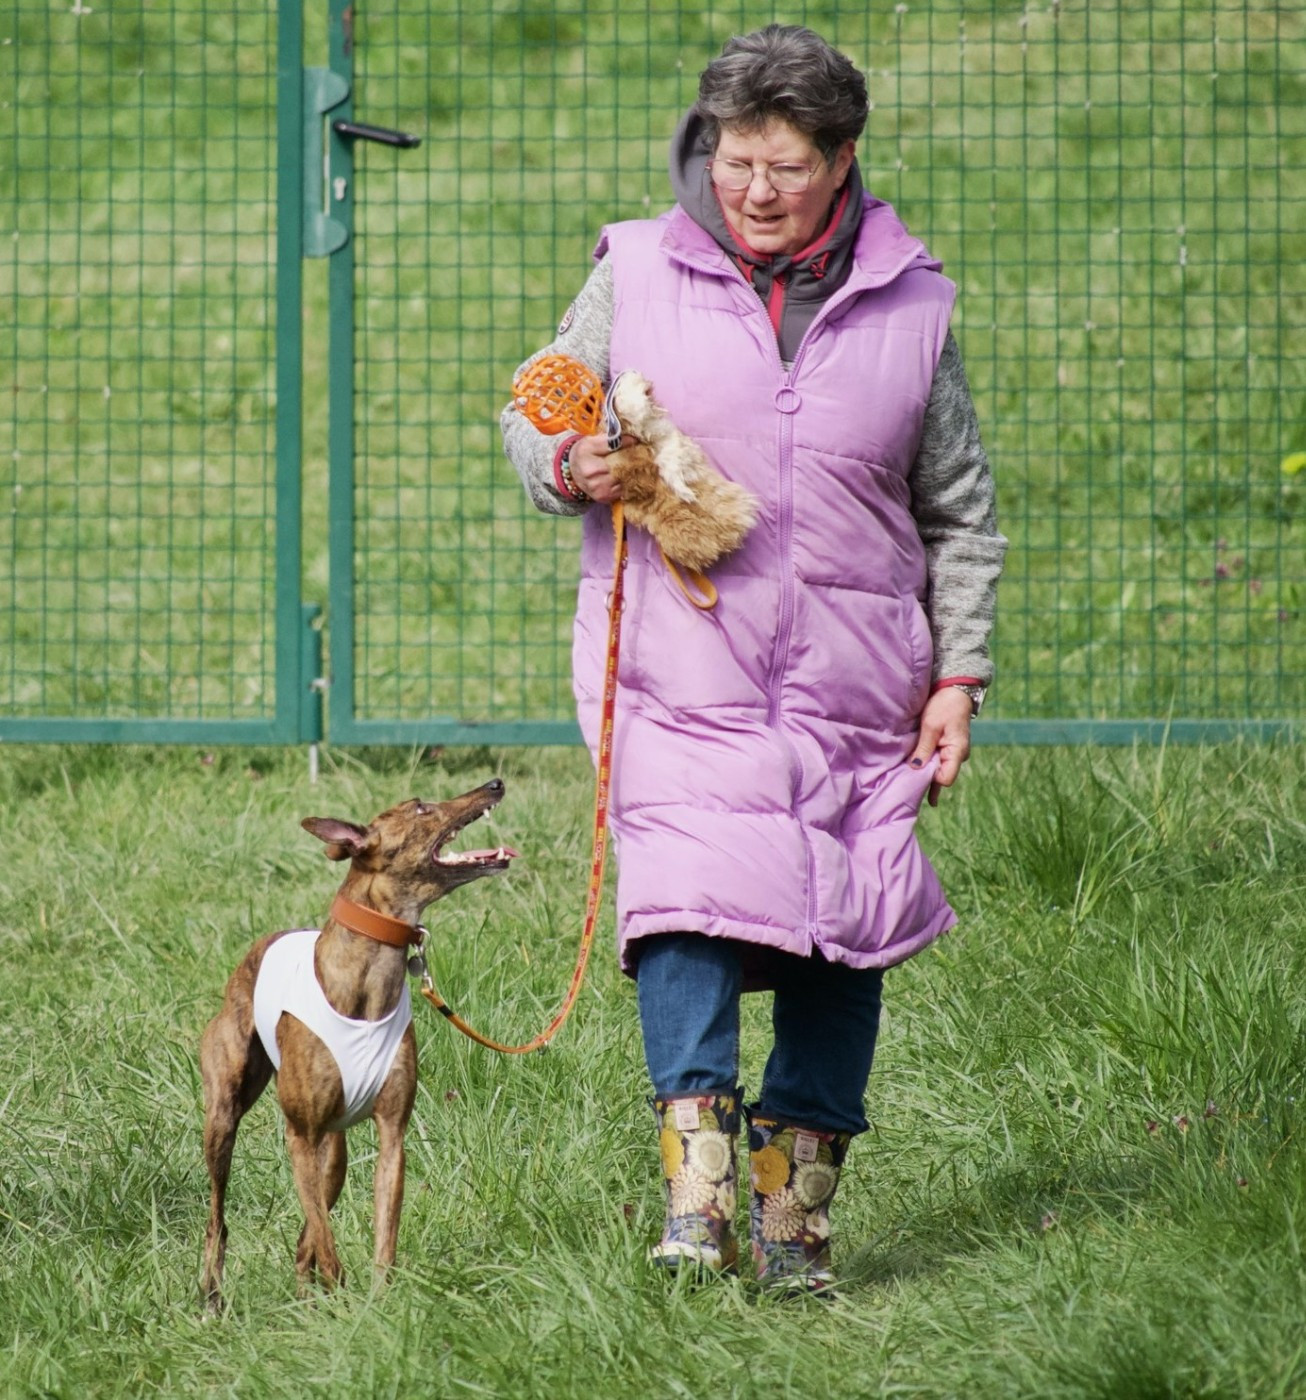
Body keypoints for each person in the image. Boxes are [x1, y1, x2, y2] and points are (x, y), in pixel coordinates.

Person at [502, 23, 1006, 1292]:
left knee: (848, 922)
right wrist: (569, 464)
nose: (756, 191)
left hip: (859, 681)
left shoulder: (913, 302)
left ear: (842, 159)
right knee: (683, 902)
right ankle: (699, 1201)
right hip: (683, 665)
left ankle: (795, 1221)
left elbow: (956, 509)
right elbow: (537, 404)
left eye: (784, 165)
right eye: (734, 162)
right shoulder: (634, 269)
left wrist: (957, 674)